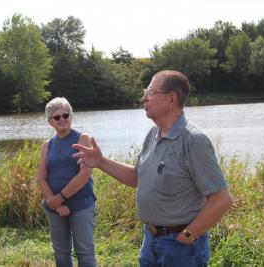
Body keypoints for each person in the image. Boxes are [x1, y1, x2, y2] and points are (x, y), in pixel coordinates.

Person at [73, 70, 233, 267]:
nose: (143, 98)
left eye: (150, 92)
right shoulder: (153, 134)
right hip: (150, 240)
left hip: (180, 247)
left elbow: (222, 199)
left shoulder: (193, 141)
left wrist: (187, 237)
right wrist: (100, 161)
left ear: (171, 99)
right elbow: (136, 177)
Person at [36, 97, 97, 267]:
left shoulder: (82, 139)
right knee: (61, 251)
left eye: (66, 115)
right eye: (57, 117)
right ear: (50, 122)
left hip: (81, 204)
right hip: (54, 206)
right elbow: (41, 177)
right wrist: (54, 203)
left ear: (71, 117)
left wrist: (60, 198)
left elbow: (85, 174)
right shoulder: (46, 145)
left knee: (84, 251)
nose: (62, 119)